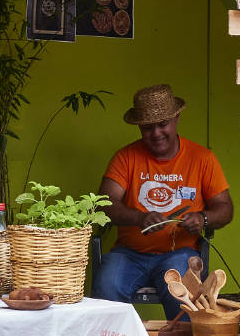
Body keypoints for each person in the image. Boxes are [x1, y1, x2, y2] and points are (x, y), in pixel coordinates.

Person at [93, 84, 232, 320]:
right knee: (107, 287)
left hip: (179, 253)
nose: (156, 133)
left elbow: (225, 209)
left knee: (185, 300)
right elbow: (103, 205)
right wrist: (139, 217)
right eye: (147, 127)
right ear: (139, 127)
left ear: (176, 118)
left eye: (162, 124)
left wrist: (203, 218)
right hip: (129, 253)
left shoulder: (202, 158)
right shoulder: (126, 157)